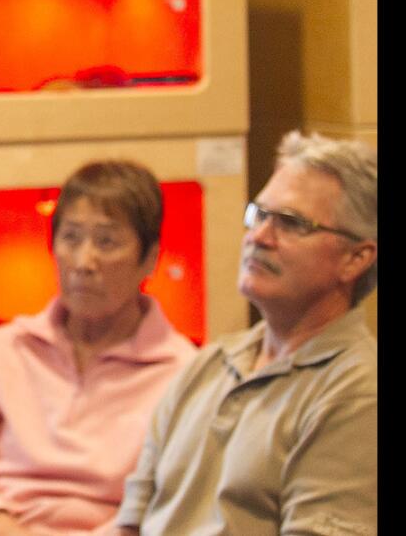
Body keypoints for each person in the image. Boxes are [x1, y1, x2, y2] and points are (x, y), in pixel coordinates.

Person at [114, 131, 377, 535]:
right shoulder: (210, 364)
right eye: (259, 215)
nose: (259, 237)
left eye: (290, 223)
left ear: (355, 259)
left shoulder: (358, 393)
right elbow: (130, 523)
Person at [0, 160, 198, 536]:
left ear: (150, 258)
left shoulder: (184, 371)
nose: (84, 262)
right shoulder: (7, 349)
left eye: (107, 241)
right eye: (71, 238)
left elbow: (177, 498)